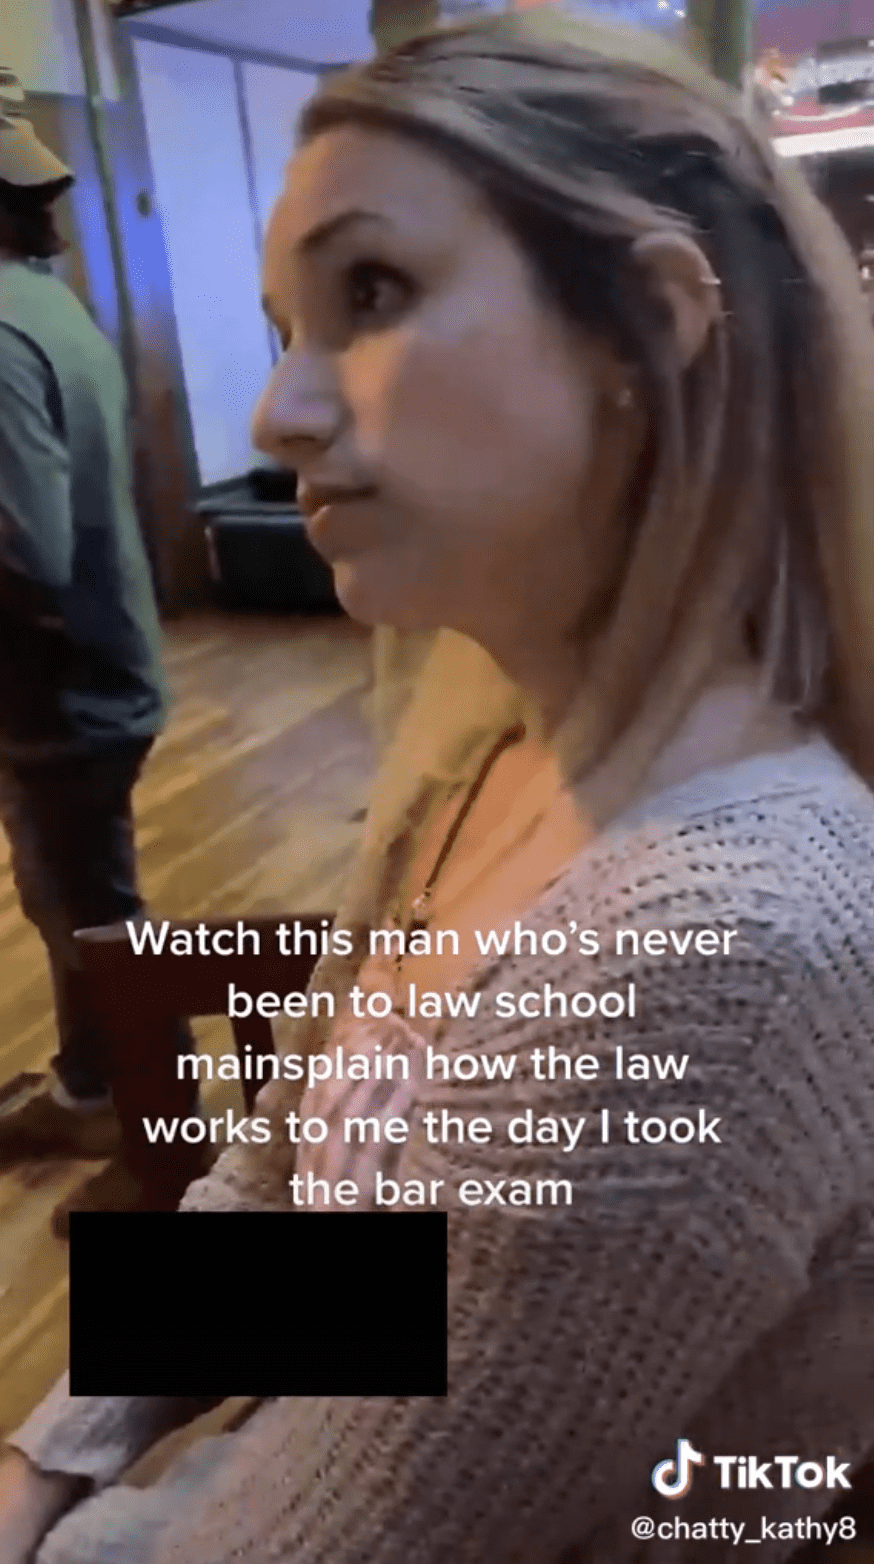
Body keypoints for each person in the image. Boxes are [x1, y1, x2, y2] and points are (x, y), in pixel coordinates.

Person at [3, 8, 874, 1561]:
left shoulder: (721, 952)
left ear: (646, 321)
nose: (277, 413)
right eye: (285, 326)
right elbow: (284, 1182)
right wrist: (45, 1461)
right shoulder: (483, 760)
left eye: (374, 292)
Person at [0, 71, 181, 1225]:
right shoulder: (47, 305)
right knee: (71, 897)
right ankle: (88, 1086)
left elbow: (27, 547)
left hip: (59, 692)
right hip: (98, 672)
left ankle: (156, 1132)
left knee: (92, 913)